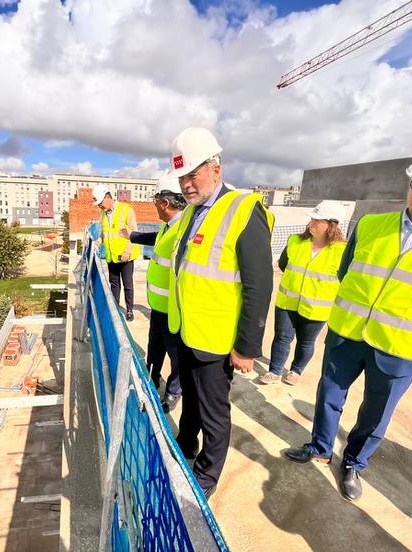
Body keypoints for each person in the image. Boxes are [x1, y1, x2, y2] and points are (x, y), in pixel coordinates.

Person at [284, 143, 412, 501]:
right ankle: (319, 447)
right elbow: (348, 271)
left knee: (376, 413)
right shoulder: (370, 225)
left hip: (402, 346)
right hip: (347, 334)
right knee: (329, 395)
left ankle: (353, 463)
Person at [167, 127, 274, 498]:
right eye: (181, 176)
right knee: (191, 404)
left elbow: (259, 286)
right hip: (187, 332)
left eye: (192, 174)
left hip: (216, 339)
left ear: (215, 167)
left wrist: (246, 347)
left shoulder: (244, 209)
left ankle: (207, 477)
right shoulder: (192, 213)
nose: (185, 184)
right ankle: (185, 446)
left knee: (214, 415)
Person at [259, 201, 347, 386]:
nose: (311, 223)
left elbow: (344, 278)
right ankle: (274, 371)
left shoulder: (342, 251)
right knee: (282, 337)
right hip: (287, 302)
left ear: (332, 224)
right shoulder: (295, 241)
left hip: (316, 308)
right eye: (311, 219)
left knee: (306, 342)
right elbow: (283, 265)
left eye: (317, 220)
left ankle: (295, 371)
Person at [123, 172, 186, 412]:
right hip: (159, 307)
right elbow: (155, 239)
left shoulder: (182, 229)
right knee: (155, 348)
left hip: (174, 310)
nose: (154, 206)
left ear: (165, 203)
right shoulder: (168, 227)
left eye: (155, 201)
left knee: (176, 356)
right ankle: (152, 377)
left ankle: (172, 392)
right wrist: (132, 236)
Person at [93, 184, 140, 321]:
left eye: (100, 203)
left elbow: (133, 233)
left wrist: (127, 251)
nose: (99, 206)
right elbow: (105, 232)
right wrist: (98, 241)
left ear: (108, 197)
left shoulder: (126, 210)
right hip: (111, 256)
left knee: (127, 284)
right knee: (114, 284)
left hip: (125, 256)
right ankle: (115, 308)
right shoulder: (102, 213)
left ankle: (129, 310)